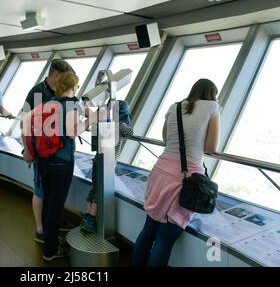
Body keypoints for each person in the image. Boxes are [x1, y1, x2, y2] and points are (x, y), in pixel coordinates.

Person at [132, 78, 220, 267]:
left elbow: (166, 138)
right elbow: (211, 146)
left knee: (148, 231)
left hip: (160, 172)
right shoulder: (213, 107)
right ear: (213, 94)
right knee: (164, 240)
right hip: (185, 178)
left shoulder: (175, 107)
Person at [23, 72, 106, 261]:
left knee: (48, 202)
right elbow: (72, 131)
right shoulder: (71, 104)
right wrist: (93, 118)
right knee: (55, 207)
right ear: (75, 86)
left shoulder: (50, 102)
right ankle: (51, 251)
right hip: (61, 162)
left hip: (44, 160)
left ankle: (47, 240)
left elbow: (28, 122)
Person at [21, 58, 75, 244]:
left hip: (53, 153)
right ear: (56, 74)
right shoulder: (37, 93)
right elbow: (25, 121)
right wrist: (28, 150)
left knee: (50, 193)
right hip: (40, 152)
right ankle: (40, 230)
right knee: (40, 189)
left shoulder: (57, 93)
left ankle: (50, 225)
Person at [79, 100, 134, 233]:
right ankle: (91, 220)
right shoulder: (120, 125)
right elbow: (130, 132)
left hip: (97, 158)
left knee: (94, 189)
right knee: (100, 191)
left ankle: (86, 217)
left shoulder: (103, 122)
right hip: (107, 163)